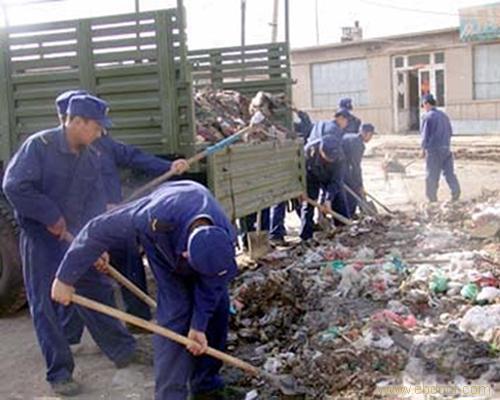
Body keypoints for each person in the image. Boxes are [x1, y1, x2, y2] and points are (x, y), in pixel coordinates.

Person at [2, 94, 143, 397]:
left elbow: (94, 208)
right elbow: (14, 186)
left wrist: (96, 244)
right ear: (76, 122)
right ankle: (60, 372)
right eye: (96, 126)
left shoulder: (91, 157)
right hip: (41, 241)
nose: (100, 132)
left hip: (76, 239)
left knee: (98, 289)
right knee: (47, 304)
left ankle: (122, 350)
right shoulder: (39, 147)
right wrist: (49, 215)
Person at [52, 180, 239, 400]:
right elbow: (97, 229)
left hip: (191, 222)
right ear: (187, 255)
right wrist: (65, 277)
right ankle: (170, 395)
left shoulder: (224, 237)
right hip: (164, 245)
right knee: (176, 315)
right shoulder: (152, 216)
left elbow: (212, 284)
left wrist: (198, 327)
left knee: (217, 309)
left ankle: (206, 385)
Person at [55, 90, 188, 328]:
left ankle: (139, 320)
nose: (98, 130)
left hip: (113, 218)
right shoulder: (60, 152)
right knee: (77, 272)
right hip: (85, 223)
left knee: (130, 264)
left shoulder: (104, 144)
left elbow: (134, 156)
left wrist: (169, 166)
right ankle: (70, 334)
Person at [300, 134, 349, 241]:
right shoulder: (308, 151)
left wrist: (328, 199)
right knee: (308, 205)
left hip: (330, 177)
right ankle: (306, 236)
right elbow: (300, 171)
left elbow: (336, 181)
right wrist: (302, 189)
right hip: (311, 177)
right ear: (321, 150)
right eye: (328, 157)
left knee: (339, 198)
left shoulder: (340, 156)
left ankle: (344, 230)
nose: (331, 160)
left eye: (333, 158)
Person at [421, 93, 461, 202]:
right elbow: (450, 132)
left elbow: (425, 136)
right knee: (449, 173)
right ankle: (456, 192)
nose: (423, 108)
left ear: (427, 104)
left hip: (433, 150)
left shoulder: (428, 117)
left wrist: (423, 149)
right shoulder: (444, 116)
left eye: (423, 105)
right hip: (446, 148)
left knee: (432, 175)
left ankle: (432, 199)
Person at [342, 123, 377, 216]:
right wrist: (360, 185)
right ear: (366, 133)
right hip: (341, 167)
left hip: (337, 165)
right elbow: (355, 166)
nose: (371, 138)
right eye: (371, 135)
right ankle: (349, 215)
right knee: (353, 192)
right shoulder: (358, 144)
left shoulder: (351, 137)